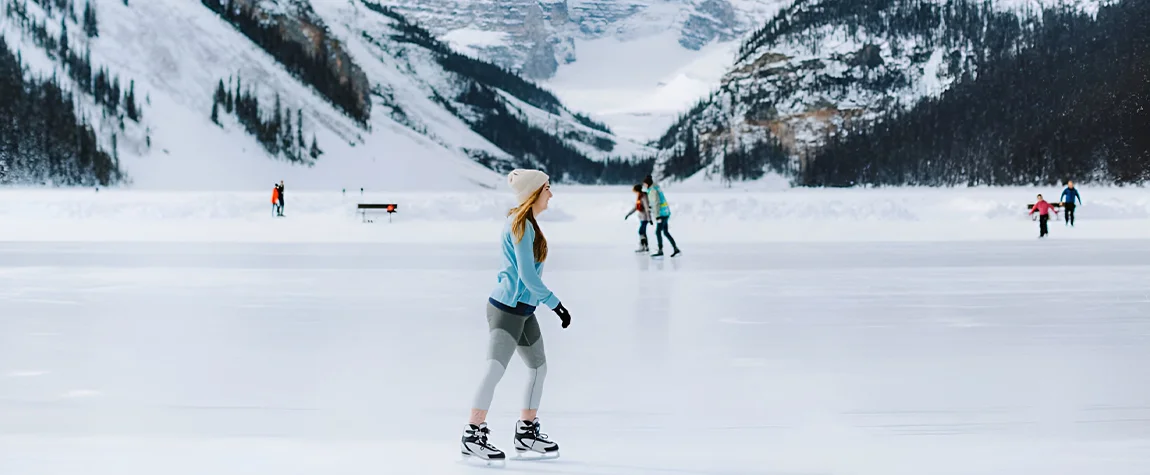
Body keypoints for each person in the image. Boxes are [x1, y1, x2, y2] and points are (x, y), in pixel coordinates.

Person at [461, 169, 570, 464]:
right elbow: (528, 276)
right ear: (534, 193)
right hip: (507, 310)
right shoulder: (521, 224)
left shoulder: (526, 223)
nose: (551, 193)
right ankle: (472, 434)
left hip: (523, 310)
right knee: (494, 370)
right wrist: (557, 305)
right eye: (547, 187)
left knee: (538, 368)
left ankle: (526, 432)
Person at [643, 174, 680, 257]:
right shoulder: (656, 187)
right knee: (665, 232)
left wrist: (657, 216)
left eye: (645, 184)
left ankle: (660, 250)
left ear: (648, 184)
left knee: (658, 231)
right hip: (666, 212)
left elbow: (656, 203)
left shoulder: (652, 190)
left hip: (661, 214)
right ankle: (675, 248)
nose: (644, 185)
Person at [624, 183, 652, 253]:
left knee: (641, 231)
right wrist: (628, 214)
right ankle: (646, 247)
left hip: (645, 218)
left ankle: (642, 246)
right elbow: (636, 207)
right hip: (642, 217)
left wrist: (649, 219)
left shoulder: (644, 197)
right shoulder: (639, 197)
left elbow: (646, 207)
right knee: (643, 232)